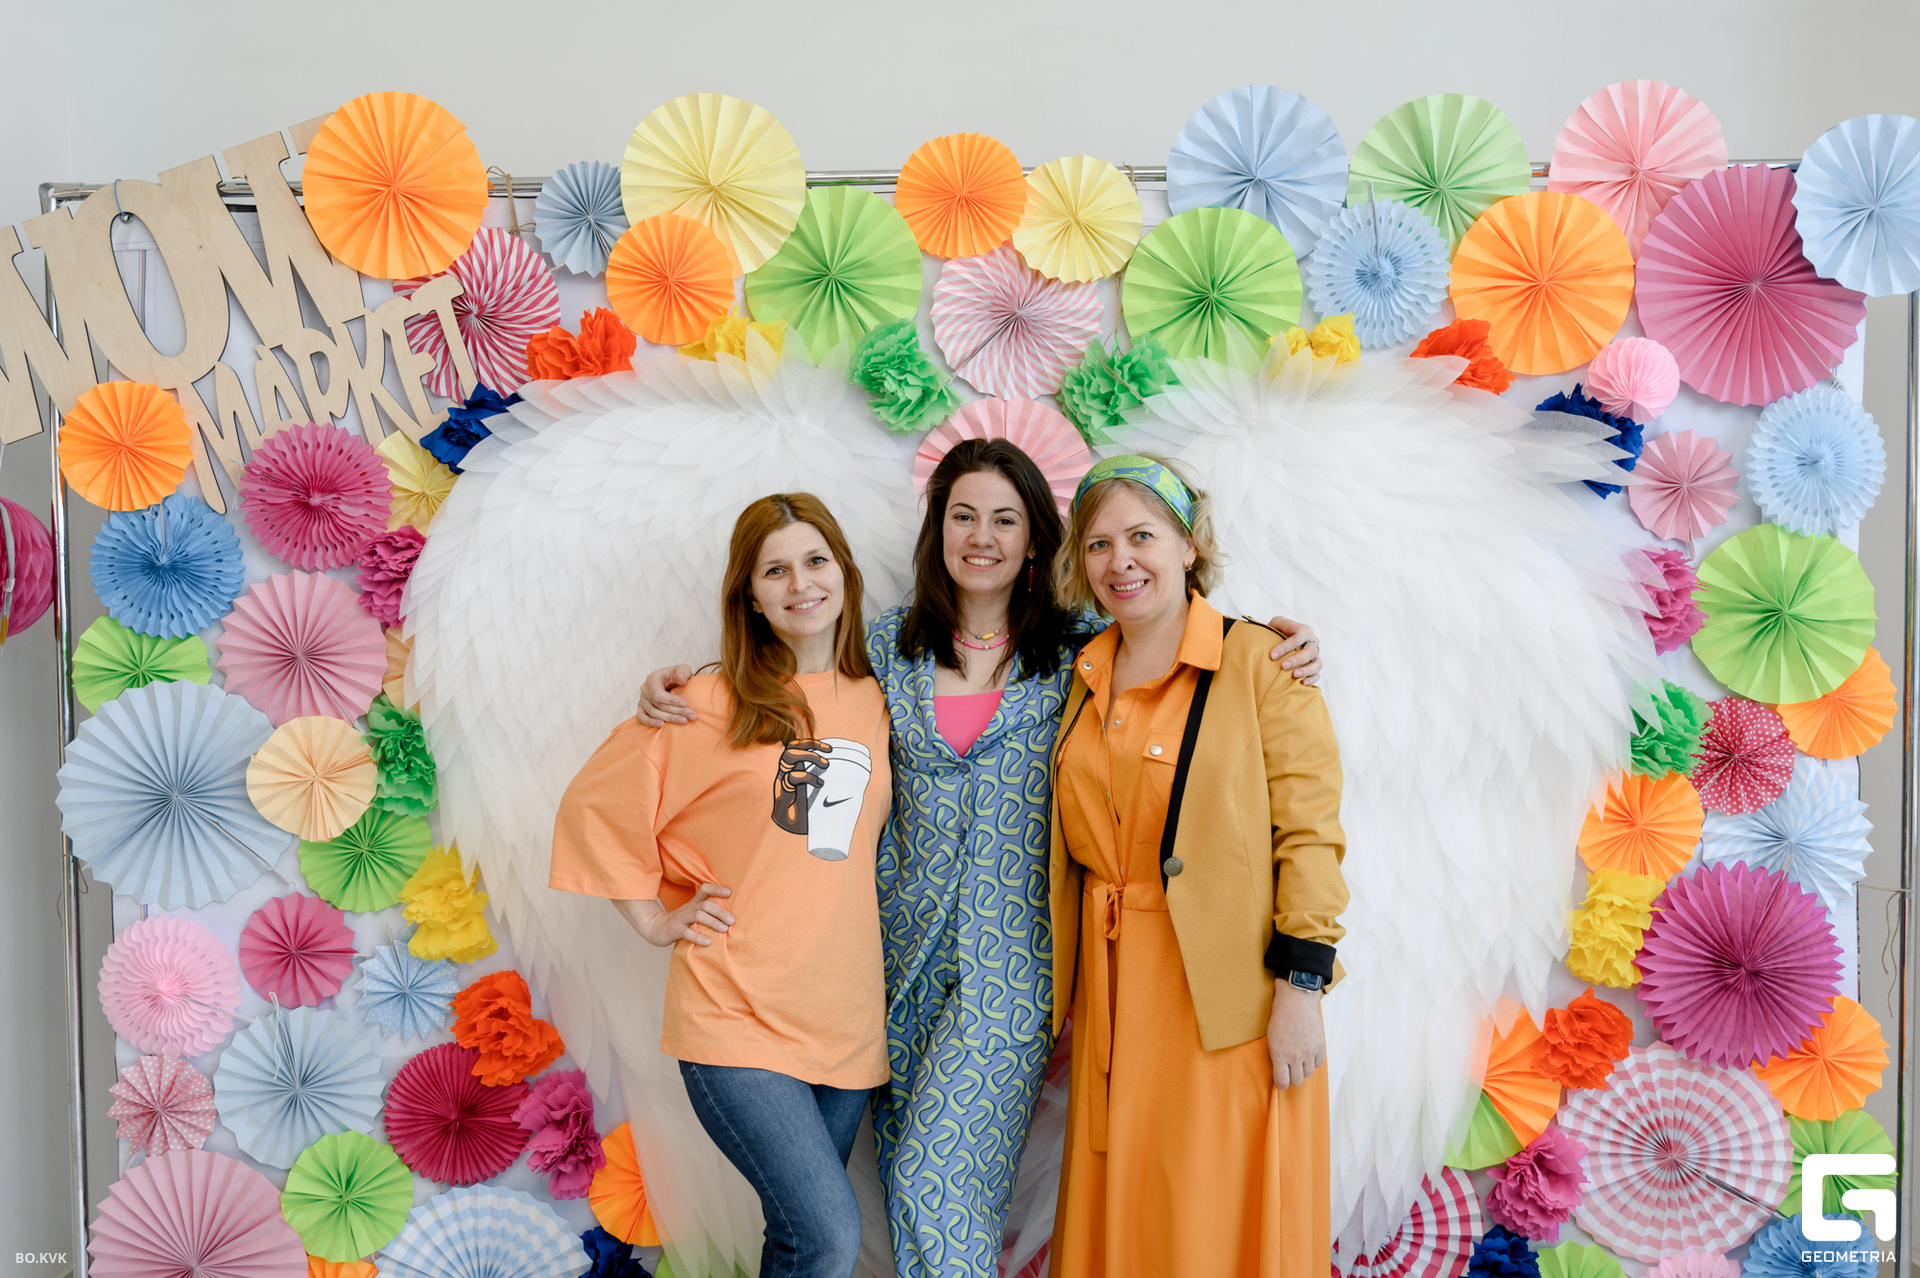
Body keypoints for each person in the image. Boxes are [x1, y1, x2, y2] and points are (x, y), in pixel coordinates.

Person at [636, 440, 1326, 1278]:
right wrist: (687, 688)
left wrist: (1276, 645)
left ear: (1035, 539)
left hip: (1014, 963)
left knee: (934, 1185)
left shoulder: (1086, 651)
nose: (982, 536)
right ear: (938, 530)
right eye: (963, 516)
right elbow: (789, 685)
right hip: (883, 963)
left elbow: (1178, 640)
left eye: (1005, 519)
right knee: (903, 1184)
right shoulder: (883, 648)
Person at [551, 493, 893, 1278]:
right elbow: (596, 806)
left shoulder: (883, 697)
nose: (800, 584)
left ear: (845, 572)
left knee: (798, 1239)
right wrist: (652, 920)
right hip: (734, 1011)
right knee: (829, 1238)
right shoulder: (706, 702)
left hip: (845, 1019)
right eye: (775, 571)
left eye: (815, 561)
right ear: (750, 596)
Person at [1046, 454, 1348, 1278]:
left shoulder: (1263, 663)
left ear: (1189, 544)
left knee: (1210, 1221)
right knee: (1127, 1215)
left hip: (1222, 997)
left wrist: (1301, 988)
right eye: (1099, 544)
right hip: (1112, 989)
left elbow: (1309, 834)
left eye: (1142, 536)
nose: (1121, 560)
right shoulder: (1080, 671)